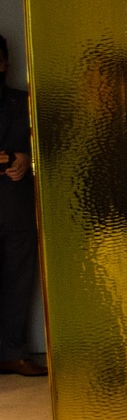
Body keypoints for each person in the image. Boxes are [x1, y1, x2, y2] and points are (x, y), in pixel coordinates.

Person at [0, 33, 44, 376]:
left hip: (17, 206)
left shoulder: (25, 102)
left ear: (5, 63)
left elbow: (53, 144)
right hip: (14, 204)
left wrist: (28, 160)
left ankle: (14, 353)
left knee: (19, 282)